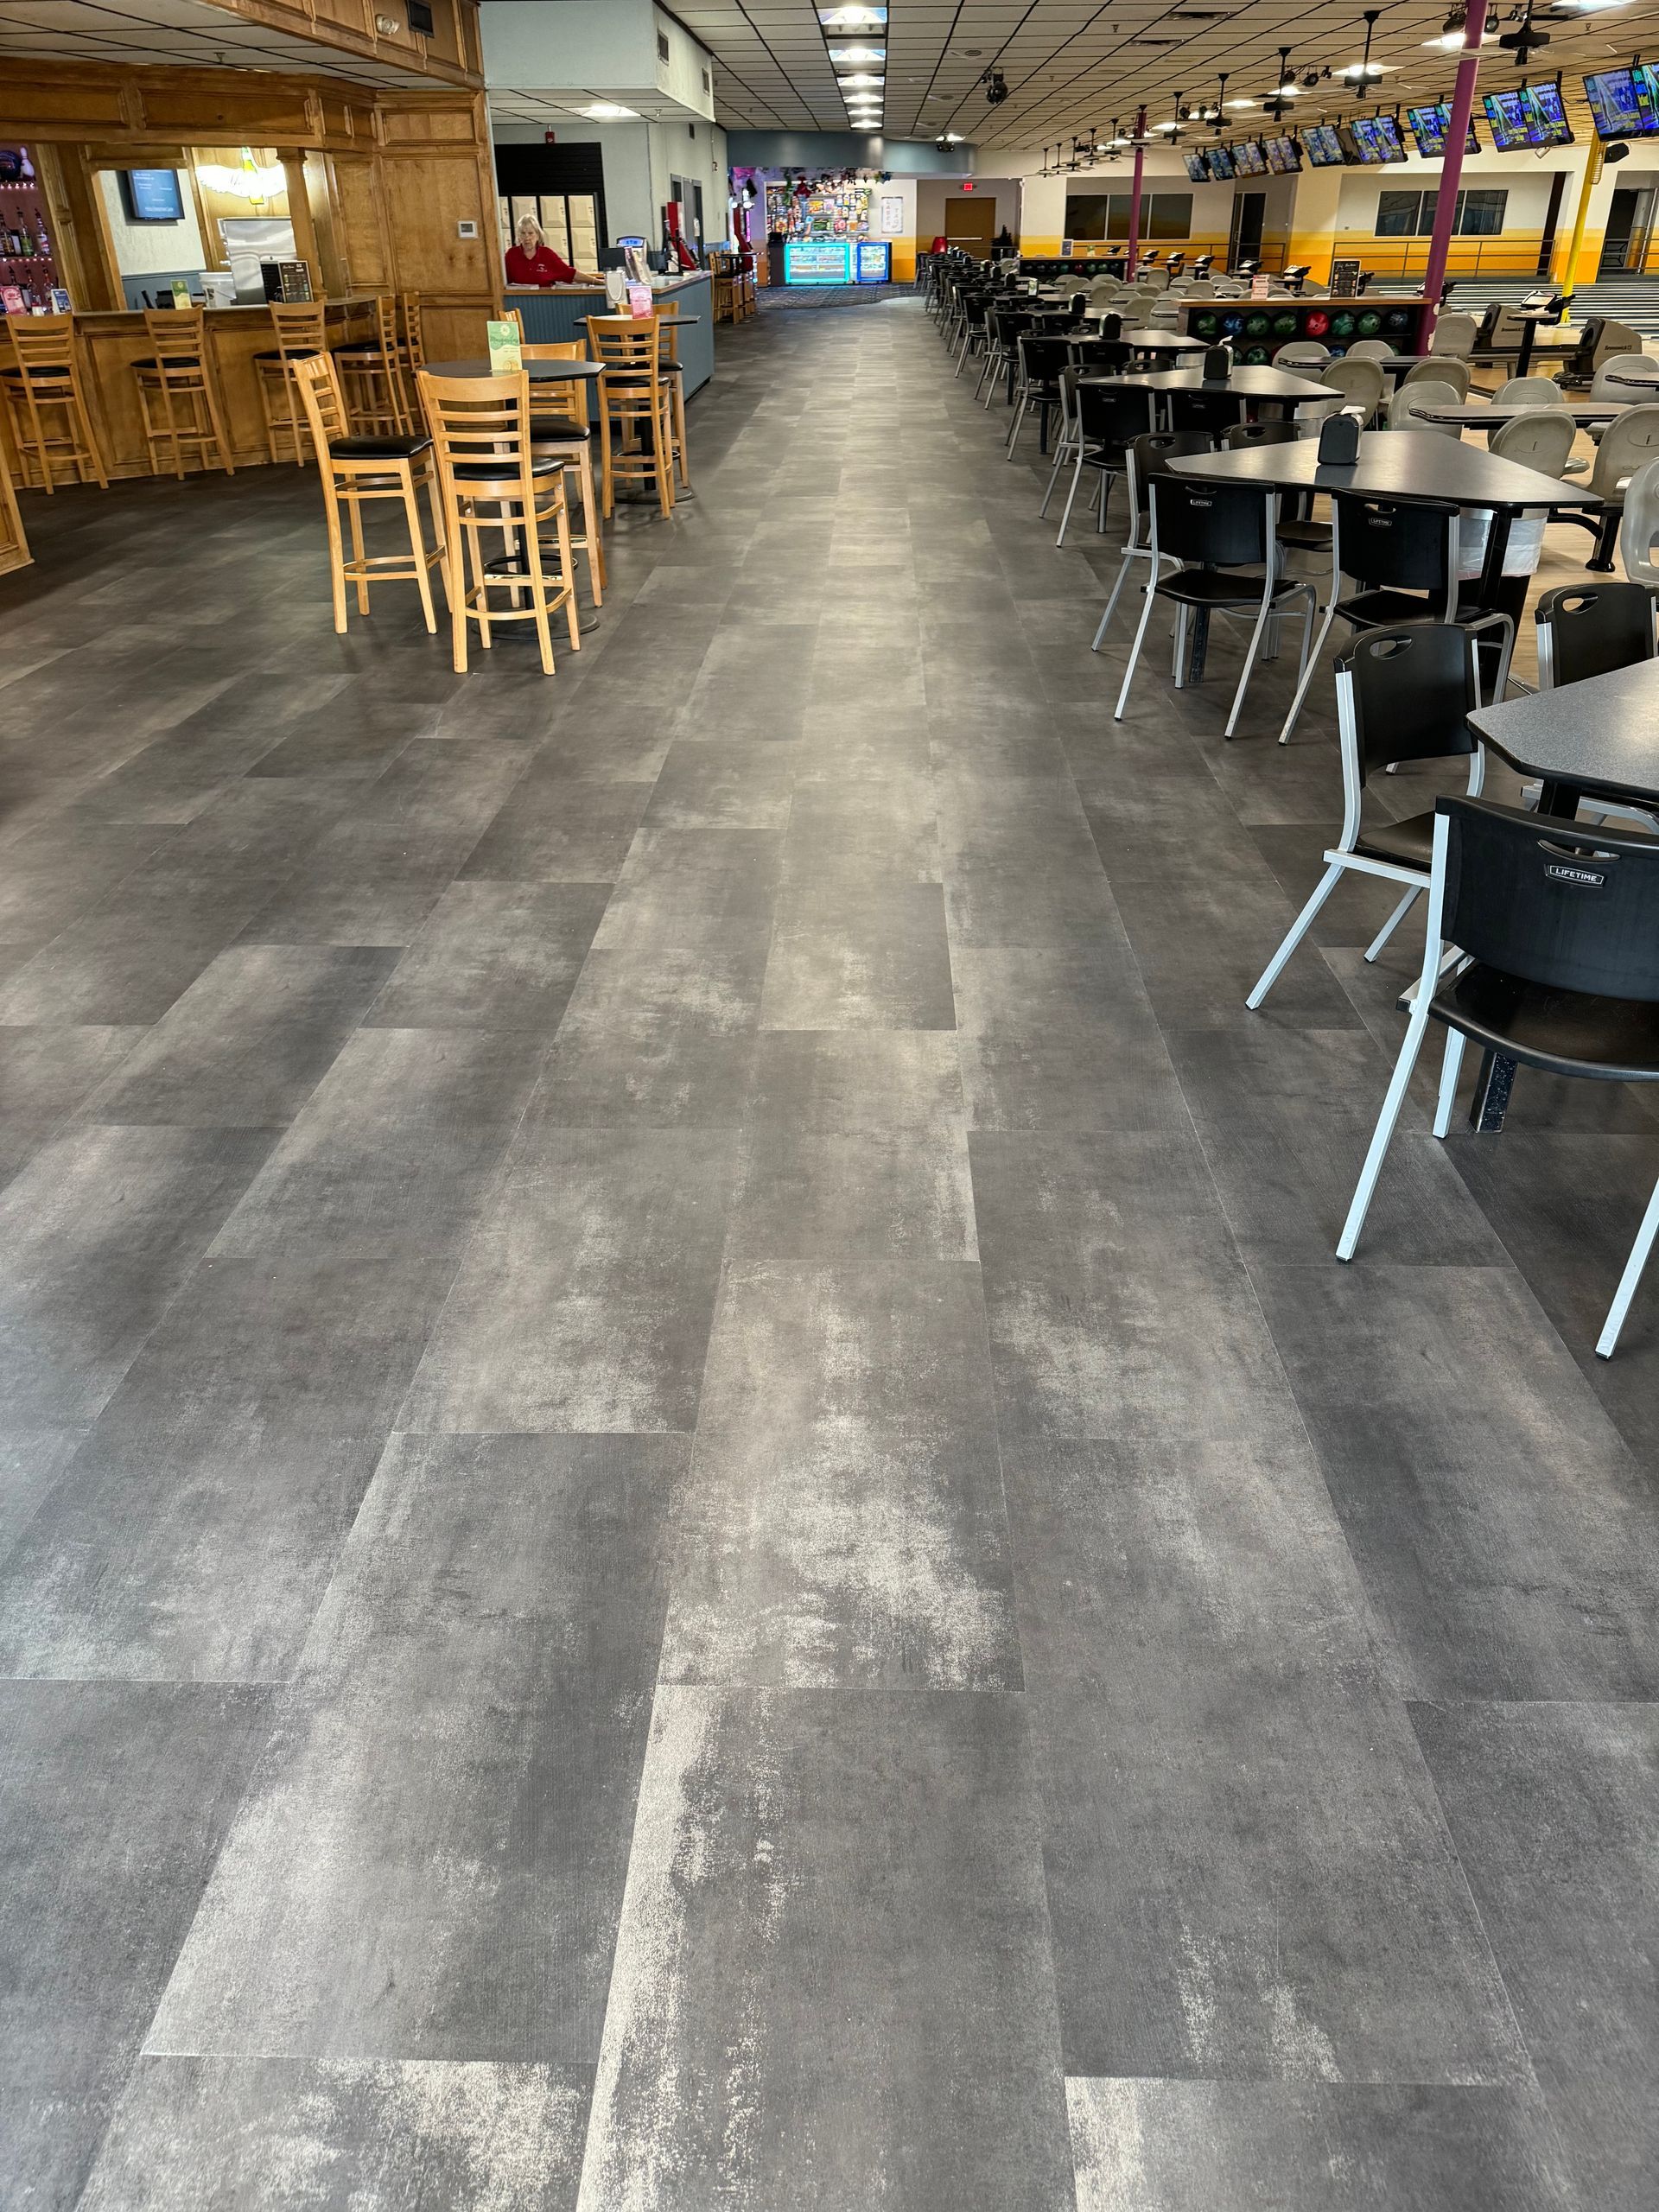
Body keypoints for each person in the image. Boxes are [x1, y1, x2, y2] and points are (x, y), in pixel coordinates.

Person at [504, 213, 596, 288]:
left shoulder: (547, 254)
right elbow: (502, 281)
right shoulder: (511, 255)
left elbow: (569, 273)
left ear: (538, 235)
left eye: (531, 233)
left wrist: (597, 282)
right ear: (519, 236)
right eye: (523, 233)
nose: (527, 237)